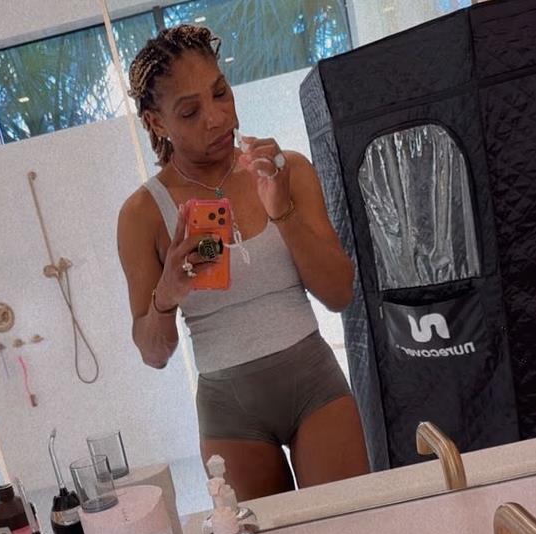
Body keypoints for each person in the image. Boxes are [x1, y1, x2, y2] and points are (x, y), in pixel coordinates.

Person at [117, 24, 369, 501]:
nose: (217, 118)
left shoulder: (285, 168)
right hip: (229, 412)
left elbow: (340, 294)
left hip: (315, 384)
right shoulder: (142, 214)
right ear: (156, 122)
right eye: (190, 111)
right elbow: (154, 354)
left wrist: (283, 211)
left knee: (349, 526)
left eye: (220, 93)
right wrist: (166, 296)